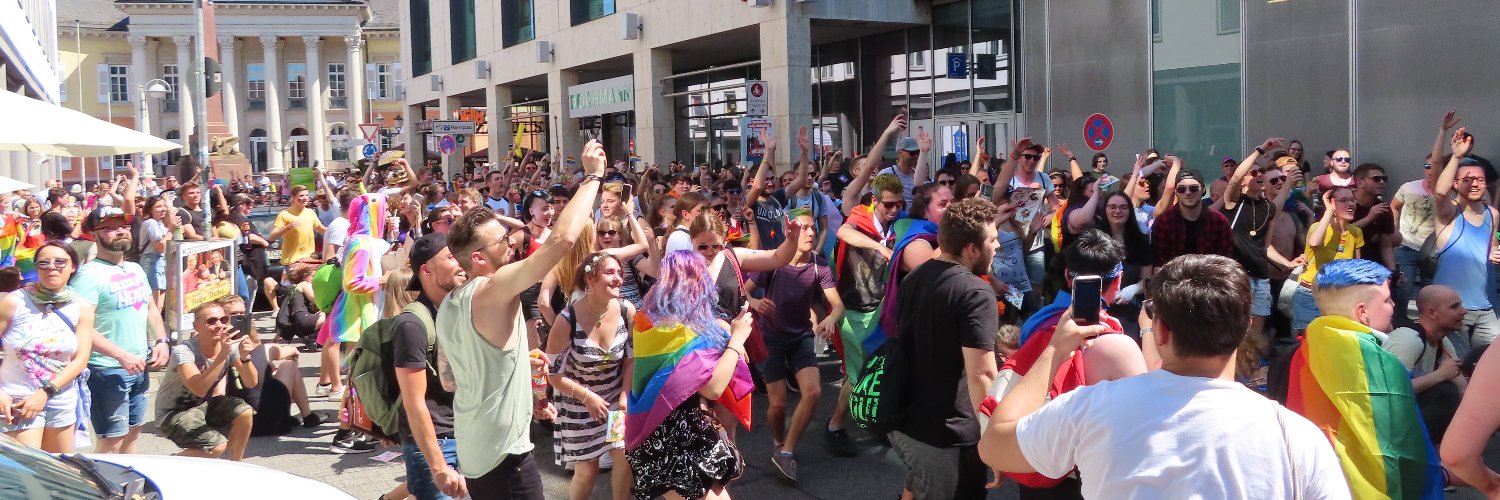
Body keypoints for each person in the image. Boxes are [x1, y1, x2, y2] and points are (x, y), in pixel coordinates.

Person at [979, 254, 1349, 498]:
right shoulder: (1297, 437)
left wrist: (1055, 350)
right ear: (1245, 328)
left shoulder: (1091, 409)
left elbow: (994, 445)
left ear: (1161, 331)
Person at [434, 140, 605, 499]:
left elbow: (451, 379)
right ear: (478, 258)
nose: (511, 242)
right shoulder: (493, 287)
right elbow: (562, 240)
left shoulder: (450, 303)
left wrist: (517, 366)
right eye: (501, 240)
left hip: (475, 448)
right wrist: (592, 177)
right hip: (504, 455)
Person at [1286, 259, 1444, 498]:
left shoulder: (1299, 352)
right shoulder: (1383, 364)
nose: (1393, 305)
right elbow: (1407, 449)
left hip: (1312, 482)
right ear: (1362, 312)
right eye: (1387, 300)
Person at [889, 198, 1000, 500]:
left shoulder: (915, 276)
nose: (998, 245)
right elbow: (982, 375)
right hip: (946, 436)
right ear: (972, 249)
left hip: (906, 421)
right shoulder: (976, 292)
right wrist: (996, 440)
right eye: (992, 239)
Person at [625, 251, 753, 500]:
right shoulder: (684, 333)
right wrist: (736, 340)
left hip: (663, 436)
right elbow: (713, 388)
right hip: (676, 443)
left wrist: (726, 334)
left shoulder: (647, 326)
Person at [745, 209, 843, 483]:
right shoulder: (774, 261)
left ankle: (787, 451)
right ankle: (778, 443)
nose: (811, 233)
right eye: (804, 228)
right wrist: (754, 303)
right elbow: (743, 291)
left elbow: (837, 304)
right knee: (777, 405)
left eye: (813, 228)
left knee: (813, 391)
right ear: (790, 232)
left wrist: (830, 319)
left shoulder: (819, 265)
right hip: (771, 338)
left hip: (800, 337)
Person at [77, 206, 169, 454]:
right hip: (107, 370)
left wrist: (161, 340)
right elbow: (81, 327)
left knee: (132, 435)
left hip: (139, 365)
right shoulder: (88, 275)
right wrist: (120, 355)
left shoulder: (135, 269)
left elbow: (151, 308)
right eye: (109, 227)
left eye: (123, 226)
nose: (120, 231)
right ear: (93, 234)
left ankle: (129, 480)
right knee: (111, 442)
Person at [545, 252, 634, 500]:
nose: (618, 278)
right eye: (610, 272)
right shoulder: (567, 320)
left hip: (614, 398)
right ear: (590, 279)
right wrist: (587, 397)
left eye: (619, 272)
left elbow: (631, 359)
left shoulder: (626, 310)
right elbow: (553, 374)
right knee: (587, 470)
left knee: (623, 457)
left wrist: (625, 395)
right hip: (578, 403)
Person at [0, 242, 95, 452]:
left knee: (59, 468)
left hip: (60, 400)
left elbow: (80, 360)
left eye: (60, 262)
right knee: (26, 470)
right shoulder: (14, 302)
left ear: (73, 267)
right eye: (44, 263)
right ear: (36, 268)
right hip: (17, 400)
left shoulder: (82, 307)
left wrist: (45, 393)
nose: (52, 267)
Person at [392, 234, 467, 500]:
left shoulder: (459, 310)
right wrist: (438, 466)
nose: (461, 262)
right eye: (451, 257)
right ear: (426, 270)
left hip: (467, 432)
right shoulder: (412, 324)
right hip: (436, 441)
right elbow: (414, 402)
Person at [155, 302, 257, 460]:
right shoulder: (184, 351)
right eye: (211, 321)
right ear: (196, 326)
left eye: (224, 320)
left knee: (244, 412)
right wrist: (222, 356)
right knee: (215, 447)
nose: (219, 325)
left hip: (204, 405)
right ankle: (172, 461)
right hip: (174, 413)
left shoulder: (229, 346)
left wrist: (245, 358)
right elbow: (199, 389)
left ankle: (236, 464)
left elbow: (251, 382)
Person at [1430, 128, 1500, 356]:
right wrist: (1456, 156)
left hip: (1485, 307)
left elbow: (1492, 249)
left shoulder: (1492, 214)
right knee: (1458, 365)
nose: (1474, 184)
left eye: (1480, 180)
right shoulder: (1449, 211)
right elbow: (1440, 192)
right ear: (1455, 184)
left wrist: (1495, 254)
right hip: (1452, 307)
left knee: (1490, 361)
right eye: (1467, 180)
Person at [1392, 111, 1461, 321]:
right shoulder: (1408, 187)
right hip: (1407, 247)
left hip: (1434, 251)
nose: (1430, 170)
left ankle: (1429, 326)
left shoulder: (1448, 193)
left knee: (1433, 293)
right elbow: (1393, 207)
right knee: (1402, 291)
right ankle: (1399, 324)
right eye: (1426, 166)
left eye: (1434, 166)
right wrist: (1395, 231)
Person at [1384, 285, 1467, 445]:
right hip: (1384, 421)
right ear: (1431, 312)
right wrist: (1439, 375)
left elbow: (1462, 388)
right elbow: (1388, 390)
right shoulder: (1409, 340)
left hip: (1404, 413)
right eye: (1454, 307)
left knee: (1454, 393)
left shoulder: (1442, 341)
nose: (1463, 311)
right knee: (1445, 392)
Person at [1291, 187, 1364, 333]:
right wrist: (1329, 211)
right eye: (1344, 200)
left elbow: (1357, 266)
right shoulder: (1319, 227)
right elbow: (1314, 242)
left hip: (1338, 294)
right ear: (1332, 204)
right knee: (1308, 339)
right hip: (1310, 293)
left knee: (1333, 337)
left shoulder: (1355, 232)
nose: (1351, 204)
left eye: (1352, 200)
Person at [1151, 168, 1234, 269]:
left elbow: (1225, 263)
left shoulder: (1219, 221)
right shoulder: (1163, 222)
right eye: (1181, 189)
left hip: (1210, 276)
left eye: (1193, 188)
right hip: (1174, 277)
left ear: (1203, 189)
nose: (1188, 192)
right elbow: (1159, 266)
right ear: (1176, 192)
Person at [138, 194, 181, 310]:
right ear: (150, 209)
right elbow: (161, 247)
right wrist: (171, 230)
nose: (163, 209)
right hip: (151, 262)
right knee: (154, 305)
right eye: (158, 206)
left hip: (160, 262)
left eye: (164, 206)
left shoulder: (159, 223)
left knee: (159, 306)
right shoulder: (150, 223)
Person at [267, 185, 327, 266]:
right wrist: (287, 227)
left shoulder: (310, 212)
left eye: (307, 195)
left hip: (309, 259)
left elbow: (321, 229)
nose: (305, 198)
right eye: (301, 196)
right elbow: (272, 237)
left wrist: (337, 229)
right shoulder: (284, 214)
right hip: (292, 261)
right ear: (293, 197)